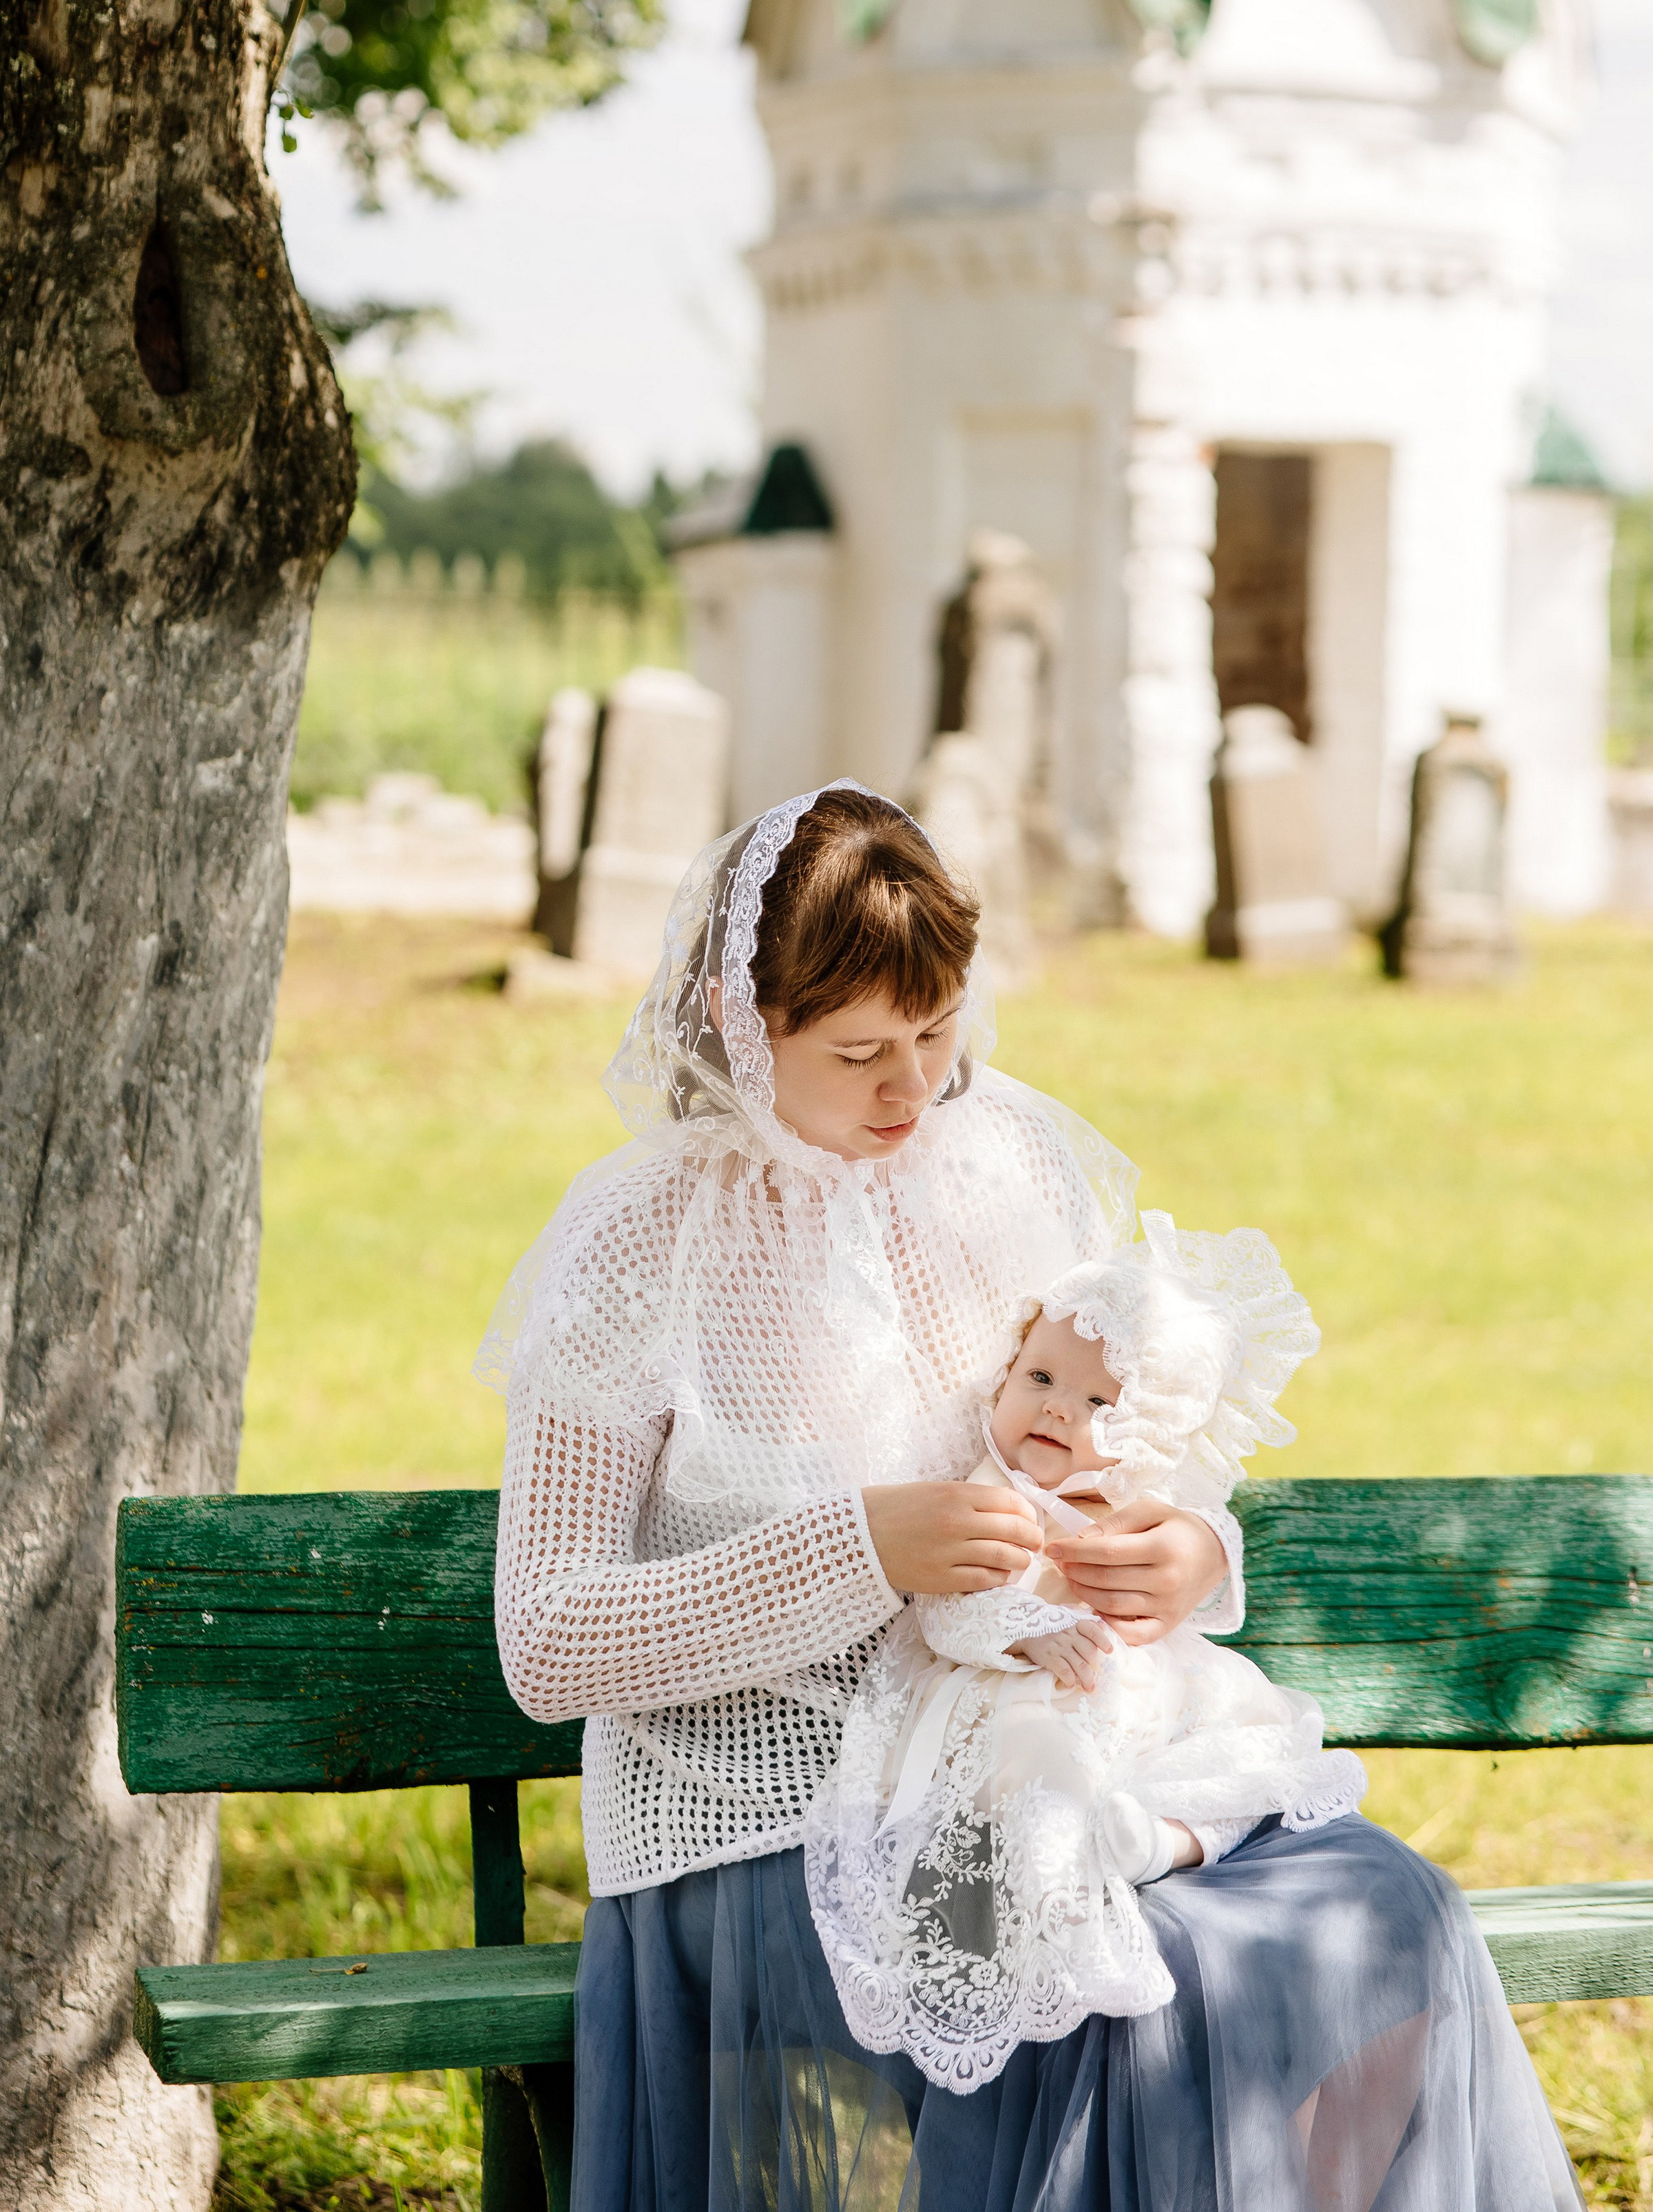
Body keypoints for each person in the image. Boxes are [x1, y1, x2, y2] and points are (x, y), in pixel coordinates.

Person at [478, 781, 1581, 2212]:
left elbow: (1126, 1441)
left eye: (936, 1034)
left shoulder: (1008, 1167)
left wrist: (1183, 1549)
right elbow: (549, 1641)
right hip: (778, 1830)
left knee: (1390, 1914)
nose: (911, 1090)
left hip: (1070, 1776)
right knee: (1139, 1992)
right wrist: (864, 1548)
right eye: (859, 1050)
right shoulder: (639, 1242)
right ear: (731, 1022)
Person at [804, 1231, 1368, 2095]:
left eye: (1101, 1403)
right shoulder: (991, 1494)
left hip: (1136, 1699)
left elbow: (1196, 1538)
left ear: (1148, 1430)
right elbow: (946, 1612)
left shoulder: (1132, 1502)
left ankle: (1173, 1841)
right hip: (1012, 1699)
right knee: (1038, 1764)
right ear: (1006, 1373)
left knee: (1258, 1733)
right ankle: (1063, 1898)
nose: (1058, 1410)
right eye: (1039, 1379)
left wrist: (1204, 1542)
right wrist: (1023, 1629)